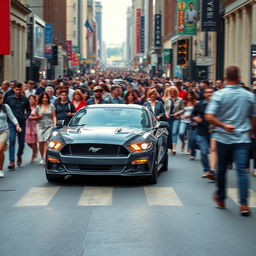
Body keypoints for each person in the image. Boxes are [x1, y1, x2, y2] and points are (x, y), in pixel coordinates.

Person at [205, 66, 256, 216]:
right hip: (243, 138)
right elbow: (254, 117)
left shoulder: (219, 95)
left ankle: (221, 198)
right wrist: (250, 129)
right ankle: (244, 204)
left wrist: (223, 125)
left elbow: (209, 116)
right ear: (239, 76)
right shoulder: (248, 96)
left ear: (225, 78)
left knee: (221, 169)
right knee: (241, 170)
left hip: (223, 138)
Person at [6, 82, 31, 169]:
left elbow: (29, 110)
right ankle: (11, 161)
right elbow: (5, 109)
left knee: (21, 143)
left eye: (19, 90)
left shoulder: (25, 99)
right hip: (11, 123)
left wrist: (25, 116)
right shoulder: (9, 99)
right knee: (12, 140)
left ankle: (19, 155)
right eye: (16, 90)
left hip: (22, 123)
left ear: (21, 90)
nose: (18, 91)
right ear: (14, 89)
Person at [191, 87, 215, 180]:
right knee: (204, 151)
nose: (209, 94)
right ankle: (207, 170)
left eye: (211, 92)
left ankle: (213, 170)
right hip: (202, 131)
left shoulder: (217, 104)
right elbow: (193, 114)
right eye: (207, 92)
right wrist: (195, 118)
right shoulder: (199, 104)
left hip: (214, 131)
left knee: (214, 152)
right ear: (204, 94)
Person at [0, 91, 21, 177]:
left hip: (4, 131)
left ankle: (0, 170)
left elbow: (12, 117)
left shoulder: (5, 107)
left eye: (1, 98)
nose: (0, 100)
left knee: (0, 149)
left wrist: (17, 125)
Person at [35, 93, 56, 165]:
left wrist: (55, 124)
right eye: (43, 97)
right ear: (41, 98)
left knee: (46, 141)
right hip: (40, 125)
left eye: (46, 97)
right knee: (41, 142)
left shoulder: (51, 105)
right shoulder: (38, 106)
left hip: (49, 125)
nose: (45, 99)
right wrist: (38, 116)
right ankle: (42, 157)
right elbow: (35, 117)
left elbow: (54, 116)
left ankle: (44, 157)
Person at [165, 86, 184, 154]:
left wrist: (177, 113)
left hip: (176, 118)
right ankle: (170, 147)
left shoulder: (180, 100)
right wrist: (166, 114)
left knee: (174, 132)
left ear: (176, 92)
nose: (172, 92)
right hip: (169, 118)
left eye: (174, 91)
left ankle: (174, 148)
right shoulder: (167, 100)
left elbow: (183, 109)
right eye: (171, 91)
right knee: (169, 133)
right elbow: (165, 109)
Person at [25, 95, 38, 163]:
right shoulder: (26, 108)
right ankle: (35, 150)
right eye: (30, 99)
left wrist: (31, 117)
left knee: (34, 142)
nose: (31, 100)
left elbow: (38, 117)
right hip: (27, 126)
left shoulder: (36, 108)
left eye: (33, 99)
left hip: (34, 126)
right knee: (28, 142)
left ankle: (33, 155)